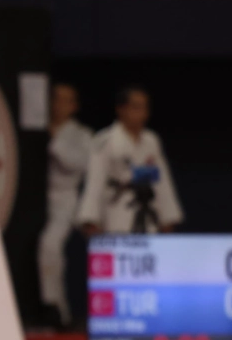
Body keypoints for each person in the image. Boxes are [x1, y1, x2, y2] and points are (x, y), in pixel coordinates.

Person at [78, 86, 183, 235]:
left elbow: (161, 180)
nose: (141, 112)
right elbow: (95, 181)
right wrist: (89, 219)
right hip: (117, 207)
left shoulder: (151, 140)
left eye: (144, 107)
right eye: (136, 107)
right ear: (121, 109)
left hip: (147, 205)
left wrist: (168, 216)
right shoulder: (105, 140)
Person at [36, 83, 94, 329]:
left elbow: (78, 164)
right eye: (56, 98)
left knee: (50, 244)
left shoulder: (82, 134)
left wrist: (54, 139)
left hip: (68, 199)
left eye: (65, 100)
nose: (58, 104)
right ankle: (53, 308)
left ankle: (58, 309)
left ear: (74, 106)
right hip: (38, 199)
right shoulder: (35, 127)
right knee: (45, 249)